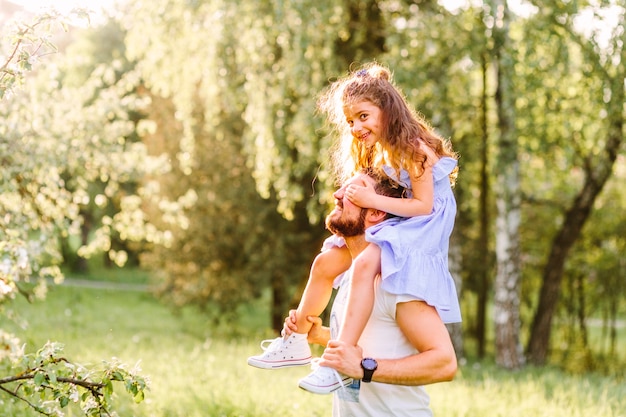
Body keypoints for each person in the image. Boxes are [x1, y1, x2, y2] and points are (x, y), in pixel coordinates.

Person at [248, 62, 461, 394]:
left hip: (422, 223)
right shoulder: (375, 149)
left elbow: (423, 207)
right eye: (349, 120)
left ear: (388, 111)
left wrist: (368, 198)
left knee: (364, 264)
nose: (356, 126)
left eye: (364, 116)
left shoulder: (414, 149)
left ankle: (340, 358)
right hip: (400, 215)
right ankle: (296, 339)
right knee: (326, 262)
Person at [285, 168, 458, 415]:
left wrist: (365, 368)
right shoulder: (352, 278)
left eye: (354, 190)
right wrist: (321, 335)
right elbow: (380, 340)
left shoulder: (395, 282)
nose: (337, 194)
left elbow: (445, 363)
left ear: (376, 211)